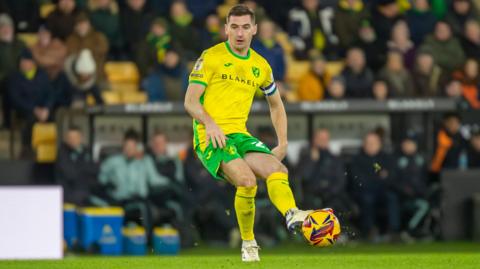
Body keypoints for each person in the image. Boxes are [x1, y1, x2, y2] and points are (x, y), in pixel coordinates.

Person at [184, 5, 312, 262]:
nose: (239, 33)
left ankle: (292, 214)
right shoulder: (211, 57)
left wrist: (283, 142)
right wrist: (209, 123)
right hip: (210, 136)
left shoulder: (261, 66)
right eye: (234, 27)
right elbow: (190, 102)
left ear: (254, 29)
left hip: (239, 135)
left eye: (245, 27)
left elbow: (276, 104)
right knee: (247, 180)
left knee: (278, 170)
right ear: (226, 29)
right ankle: (248, 242)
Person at [350, 131, 400, 241]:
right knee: (367, 199)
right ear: (364, 144)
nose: (371, 145)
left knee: (392, 197)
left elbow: (392, 178)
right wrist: (379, 177)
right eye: (368, 142)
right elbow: (359, 181)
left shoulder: (387, 158)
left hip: (383, 191)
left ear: (380, 144)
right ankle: (369, 231)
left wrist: (376, 179)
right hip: (364, 192)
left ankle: (394, 231)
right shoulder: (357, 160)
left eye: (374, 142)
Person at [8, 49, 53, 151]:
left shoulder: (42, 75)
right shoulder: (14, 77)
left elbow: (50, 93)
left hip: (43, 109)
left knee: (53, 117)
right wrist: (34, 109)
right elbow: (16, 99)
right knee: (31, 120)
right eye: (22, 62)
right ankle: (28, 149)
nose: (23, 64)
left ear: (33, 63)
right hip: (25, 110)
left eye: (26, 62)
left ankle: (50, 150)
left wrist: (46, 108)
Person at [55, 126, 98, 206]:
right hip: (68, 194)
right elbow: (70, 174)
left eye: (75, 137)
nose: (72, 140)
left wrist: (81, 167)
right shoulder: (62, 153)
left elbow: (95, 170)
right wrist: (84, 168)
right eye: (70, 137)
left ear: (81, 138)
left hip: (86, 192)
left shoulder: (86, 152)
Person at [0, 13, 25, 128]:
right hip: (2, 79)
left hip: (18, 78)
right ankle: (7, 122)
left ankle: (14, 119)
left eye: (8, 26)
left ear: (12, 28)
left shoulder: (20, 44)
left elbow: (27, 61)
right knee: (7, 85)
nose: (5, 29)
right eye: (2, 27)